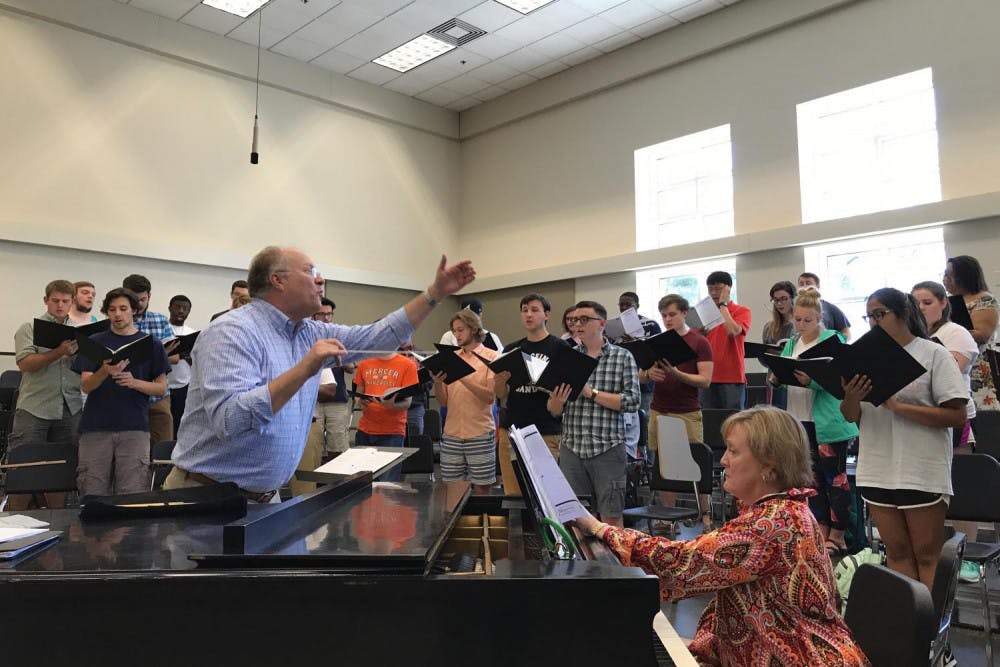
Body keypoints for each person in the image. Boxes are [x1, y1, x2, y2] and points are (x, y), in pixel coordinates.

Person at [166, 247, 474, 502]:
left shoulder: (310, 332)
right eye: (310, 271)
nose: (321, 279)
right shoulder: (231, 333)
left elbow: (379, 337)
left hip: (265, 499)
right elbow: (230, 420)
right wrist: (305, 369)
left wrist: (435, 294)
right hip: (205, 497)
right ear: (277, 280)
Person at [575, 406, 869, 667]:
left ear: (769, 465)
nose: (723, 459)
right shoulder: (775, 511)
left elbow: (681, 563)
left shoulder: (773, 523)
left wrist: (602, 529)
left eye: (733, 450)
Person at [840, 288, 967, 590]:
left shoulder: (933, 353)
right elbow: (850, 416)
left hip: (920, 468)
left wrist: (898, 407)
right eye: (868, 315)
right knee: (896, 552)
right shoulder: (863, 358)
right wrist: (851, 398)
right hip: (877, 467)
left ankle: (932, 632)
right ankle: (910, 627)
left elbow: (957, 416)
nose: (872, 321)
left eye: (879, 314)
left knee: (926, 554)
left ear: (903, 314)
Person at [772, 289, 858, 556]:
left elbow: (841, 380)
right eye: (797, 319)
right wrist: (777, 376)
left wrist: (814, 381)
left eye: (807, 320)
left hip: (829, 422)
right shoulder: (792, 342)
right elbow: (782, 369)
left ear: (820, 318)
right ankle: (819, 528)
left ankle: (839, 533)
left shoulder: (833, 340)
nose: (801, 325)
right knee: (811, 479)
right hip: (800, 419)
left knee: (835, 478)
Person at [547, 301, 639, 528]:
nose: (577, 324)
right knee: (575, 518)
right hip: (572, 448)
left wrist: (590, 392)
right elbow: (553, 410)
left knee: (610, 516)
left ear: (601, 324)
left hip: (607, 448)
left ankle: (614, 564)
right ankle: (583, 564)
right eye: (574, 320)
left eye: (584, 319)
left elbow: (632, 401)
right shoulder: (565, 357)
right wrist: (556, 402)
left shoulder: (622, 357)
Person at [912, 280, 981, 583]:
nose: (921, 308)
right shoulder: (913, 336)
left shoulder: (956, 333)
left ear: (943, 303)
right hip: (919, 420)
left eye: (927, 302)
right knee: (929, 488)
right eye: (915, 303)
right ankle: (934, 553)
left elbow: (952, 368)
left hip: (954, 416)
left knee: (961, 485)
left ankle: (970, 555)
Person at [73, 288, 170, 497]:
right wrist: (105, 371)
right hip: (96, 426)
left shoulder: (150, 344)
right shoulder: (95, 341)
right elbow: (86, 386)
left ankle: (129, 531)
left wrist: (134, 382)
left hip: (134, 426)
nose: (117, 314)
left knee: (132, 493)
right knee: (92, 491)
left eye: (123, 309)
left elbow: (161, 387)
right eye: (112, 309)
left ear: (134, 310)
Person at [6, 280, 84, 510]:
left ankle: (57, 521)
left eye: (65, 301)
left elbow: (85, 368)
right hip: (35, 406)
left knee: (61, 469)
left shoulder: (80, 333)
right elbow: (26, 364)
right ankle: (12, 524)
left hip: (69, 406)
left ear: (72, 302)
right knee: (23, 466)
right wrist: (59, 352)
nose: (60, 305)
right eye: (55, 300)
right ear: (46, 301)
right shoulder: (29, 328)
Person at [644, 294, 713, 530]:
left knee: (696, 464)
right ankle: (667, 516)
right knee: (664, 466)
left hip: (686, 411)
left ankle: (705, 516)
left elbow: (705, 380)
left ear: (685, 313)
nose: (667, 319)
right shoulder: (658, 341)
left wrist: (677, 374)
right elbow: (642, 374)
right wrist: (647, 375)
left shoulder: (698, 341)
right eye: (663, 315)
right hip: (658, 409)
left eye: (672, 314)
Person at [494, 293, 568, 495]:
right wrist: (499, 383)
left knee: (547, 493)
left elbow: (566, 392)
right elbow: (502, 394)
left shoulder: (560, 347)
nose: (528, 314)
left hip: (545, 429)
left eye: (534, 310)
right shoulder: (511, 349)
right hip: (512, 430)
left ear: (546, 314)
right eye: (524, 310)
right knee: (513, 494)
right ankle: (519, 528)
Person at [431, 310, 498, 494]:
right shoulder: (451, 358)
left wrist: (463, 376)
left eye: (460, 330)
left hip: (480, 432)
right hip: (452, 432)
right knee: (452, 487)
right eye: (454, 331)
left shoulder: (491, 357)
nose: (456, 335)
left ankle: (483, 521)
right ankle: (456, 523)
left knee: (482, 487)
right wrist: (437, 383)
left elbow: (490, 397)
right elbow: (443, 401)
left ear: (474, 329)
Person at [122, 274, 177, 448]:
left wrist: (158, 355)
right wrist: (157, 355)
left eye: (143, 299)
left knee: (162, 449)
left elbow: (174, 357)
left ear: (149, 296)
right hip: (127, 397)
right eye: (134, 300)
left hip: (158, 397)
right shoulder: (116, 322)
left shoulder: (160, 320)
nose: (139, 304)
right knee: (130, 450)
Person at [351, 349, 419, 484]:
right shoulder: (365, 362)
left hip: (392, 432)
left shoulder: (407, 364)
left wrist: (391, 406)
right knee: (362, 484)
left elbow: (407, 402)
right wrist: (360, 402)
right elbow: (358, 394)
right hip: (365, 430)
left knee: (387, 486)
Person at [943, 255, 999, 413]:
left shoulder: (985, 300)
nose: (945, 279)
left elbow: (982, 334)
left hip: (976, 365)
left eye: (949, 275)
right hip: (953, 361)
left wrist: (948, 333)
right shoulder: (947, 301)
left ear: (964, 276)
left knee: (981, 419)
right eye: (944, 274)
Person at [306, 298, 355, 457]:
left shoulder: (338, 336)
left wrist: (337, 356)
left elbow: (351, 368)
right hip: (314, 400)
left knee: (338, 444)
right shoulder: (307, 335)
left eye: (329, 314)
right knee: (313, 444)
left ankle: (338, 480)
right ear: (313, 315)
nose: (326, 318)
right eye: (321, 314)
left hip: (337, 398)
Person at [700, 271, 751, 410]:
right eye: (710, 289)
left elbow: (732, 331)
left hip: (732, 377)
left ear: (728, 289)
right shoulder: (705, 312)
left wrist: (723, 305)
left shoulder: (742, 310)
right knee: (709, 423)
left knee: (733, 421)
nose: (714, 293)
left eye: (718, 289)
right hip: (707, 376)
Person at [616, 291, 662, 413]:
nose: (624, 307)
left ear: (637, 305)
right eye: (621, 304)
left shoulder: (651, 324)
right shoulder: (614, 326)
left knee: (645, 417)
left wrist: (635, 341)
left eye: (628, 304)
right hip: (620, 381)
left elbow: (658, 351)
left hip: (644, 381)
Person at [761, 280, 796, 409]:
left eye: (783, 299)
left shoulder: (799, 325)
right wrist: (765, 354)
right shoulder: (769, 327)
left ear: (793, 299)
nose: (779, 304)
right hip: (774, 379)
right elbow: (764, 359)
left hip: (794, 380)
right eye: (776, 300)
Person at [167, 294, 195, 436]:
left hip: (184, 385)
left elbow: (196, 361)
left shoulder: (192, 333)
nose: (181, 311)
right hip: (163, 385)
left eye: (185, 308)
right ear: (170, 308)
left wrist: (187, 356)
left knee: (180, 423)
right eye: (177, 307)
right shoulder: (163, 330)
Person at [798, 273, 851, 339]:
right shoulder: (795, 310)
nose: (804, 286)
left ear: (818, 286)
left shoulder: (831, 308)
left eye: (808, 283)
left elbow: (847, 334)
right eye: (801, 284)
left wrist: (832, 342)